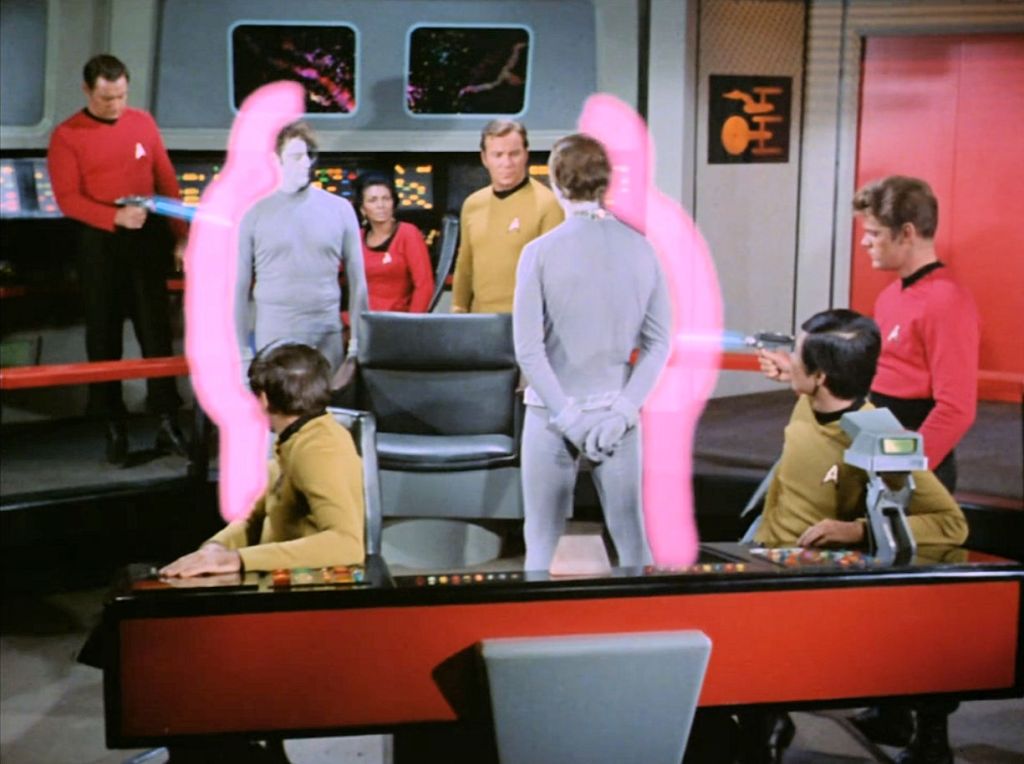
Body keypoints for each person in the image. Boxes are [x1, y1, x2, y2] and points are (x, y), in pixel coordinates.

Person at [759, 177, 979, 764]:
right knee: (878, 598)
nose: (865, 243)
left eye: (874, 234)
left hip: (908, 458)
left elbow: (957, 406)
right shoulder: (890, 299)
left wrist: (901, 471)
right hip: (869, 448)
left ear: (907, 234)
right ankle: (890, 709)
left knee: (921, 609)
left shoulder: (947, 301)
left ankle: (932, 735)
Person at [513, 133, 671, 571]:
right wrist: (623, 412)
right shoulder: (643, 248)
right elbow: (659, 344)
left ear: (555, 181)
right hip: (616, 415)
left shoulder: (538, 253)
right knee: (632, 543)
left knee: (540, 544)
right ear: (606, 181)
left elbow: (528, 351)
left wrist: (569, 418)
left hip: (551, 414)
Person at [48, 54, 188, 464]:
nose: (115, 105)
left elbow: (167, 181)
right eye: (107, 98)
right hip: (100, 243)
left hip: (146, 237)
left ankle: (167, 419)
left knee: (155, 331)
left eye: (121, 96)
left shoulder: (142, 122)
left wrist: (182, 236)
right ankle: (113, 424)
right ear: (87, 91)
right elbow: (67, 198)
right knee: (104, 335)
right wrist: (114, 217)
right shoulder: (67, 135)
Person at [753, 309, 968, 550]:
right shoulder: (809, 402)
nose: (789, 358)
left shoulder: (878, 436)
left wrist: (859, 531)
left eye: (796, 354)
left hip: (802, 561)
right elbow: (822, 392)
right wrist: (798, 373)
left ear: (820, 375)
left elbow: (951, 524)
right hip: (761, 546)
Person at [161, 343, 364, 577]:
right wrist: (216, 548)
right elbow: (252, 518)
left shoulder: (319, 450)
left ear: (264, 399)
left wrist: (238, 559)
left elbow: (347, 544)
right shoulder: (294, 440)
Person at [235, 121, 366, 381]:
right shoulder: (252, 212)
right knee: (280, 403)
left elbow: (358, 283)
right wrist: (242, 354)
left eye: (309, 155)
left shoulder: (340, 209)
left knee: (325, 404)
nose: (305, 163)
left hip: (326, 336)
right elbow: (237, 286)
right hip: (274, 337)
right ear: (276, 160)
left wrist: (356, 346)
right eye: (296, 156)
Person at [451, 119, 564, 313]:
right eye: (498, 155)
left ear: (526, 154)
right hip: (479, 321)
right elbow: (465, 266)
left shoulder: (548, 205)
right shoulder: (472, 205)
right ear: (484, 158)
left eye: (514, 154)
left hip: (526, 321)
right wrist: (458, 309)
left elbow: (555, 276)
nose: (507, 163)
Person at [355, 173, 434, 312]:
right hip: (360, 316)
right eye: (373, 200)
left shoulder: (408, 233)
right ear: (362, 209)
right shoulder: (356, 237)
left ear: (393, 203)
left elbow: (424, 286)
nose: (381, 205)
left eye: (386, 199)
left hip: (396, 318)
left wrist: (413, 322)